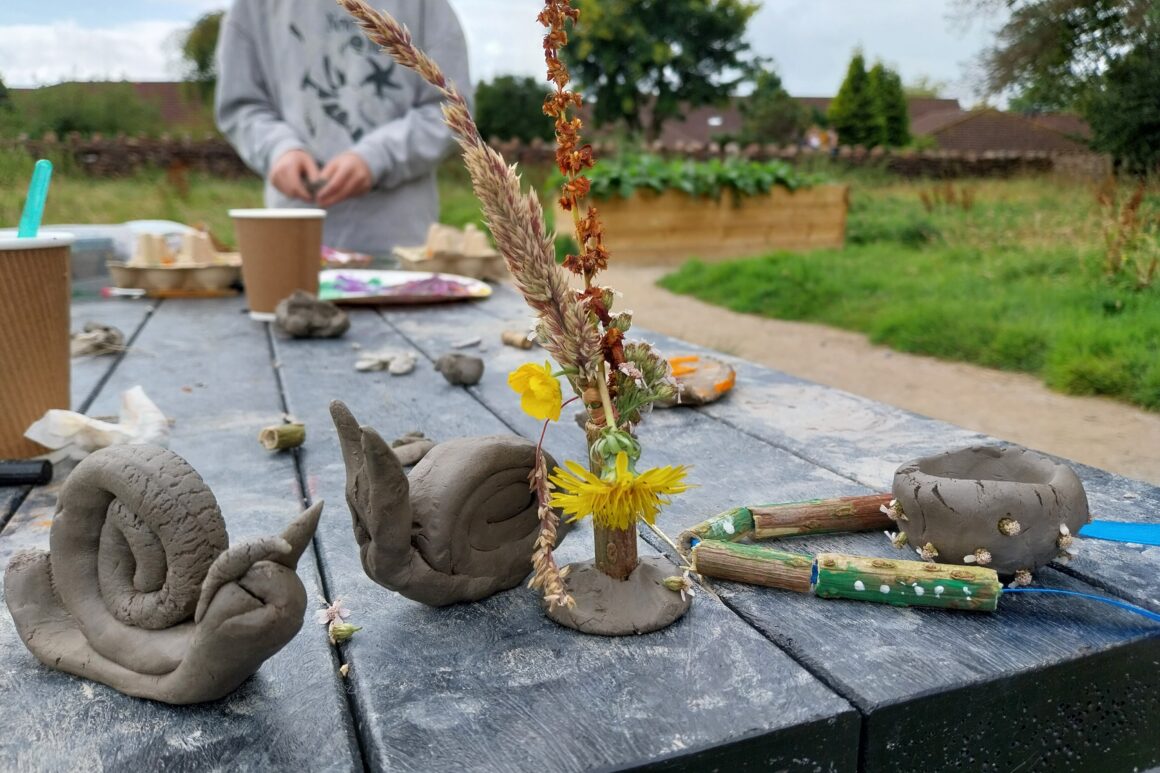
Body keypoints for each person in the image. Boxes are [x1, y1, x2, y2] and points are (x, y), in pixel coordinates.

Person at [215, 0, 472, 255]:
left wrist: (378, 156)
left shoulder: (427, 6)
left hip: (401, 246)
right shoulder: (251, 7)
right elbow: (241, 105)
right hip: (296, 240)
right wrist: (279, 149)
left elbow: (452, 110)